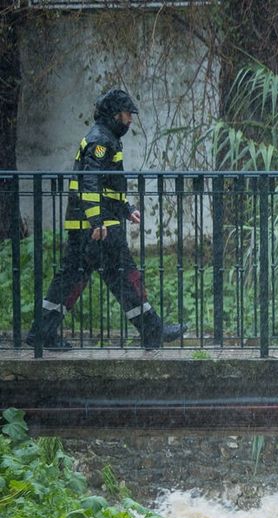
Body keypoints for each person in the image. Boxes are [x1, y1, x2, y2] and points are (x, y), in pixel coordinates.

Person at [24, 89, 184, 351]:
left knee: (73, 278)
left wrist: (125, 208)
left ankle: (43, 333)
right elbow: (91, 181)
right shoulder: (101, 140)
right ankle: (153, 331)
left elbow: (106, 186)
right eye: (126, 115)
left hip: (90, 225)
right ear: (114, 115)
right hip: (98, 229)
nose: (130, 121)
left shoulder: (103, 137)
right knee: (124, 276)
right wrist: (97, 221)